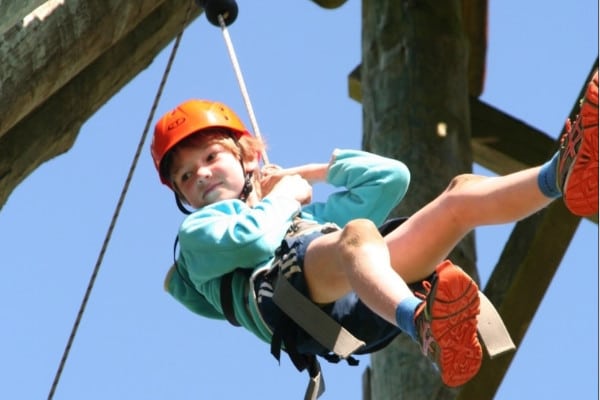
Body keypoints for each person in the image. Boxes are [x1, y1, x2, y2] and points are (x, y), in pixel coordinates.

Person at [151, 71, 598, 391]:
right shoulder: (198, 236)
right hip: (298, 308)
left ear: (248, 157)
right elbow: (254, 241)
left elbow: (391, 178)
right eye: (186, 178)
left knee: (460, 196)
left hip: (362, 296)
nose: (202, 176)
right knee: (358, 235)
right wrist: (284, 196)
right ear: (183, 197)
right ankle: (426, 325)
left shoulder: (304, 216)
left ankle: (563, 174)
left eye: (211, 158)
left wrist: (308, 173)